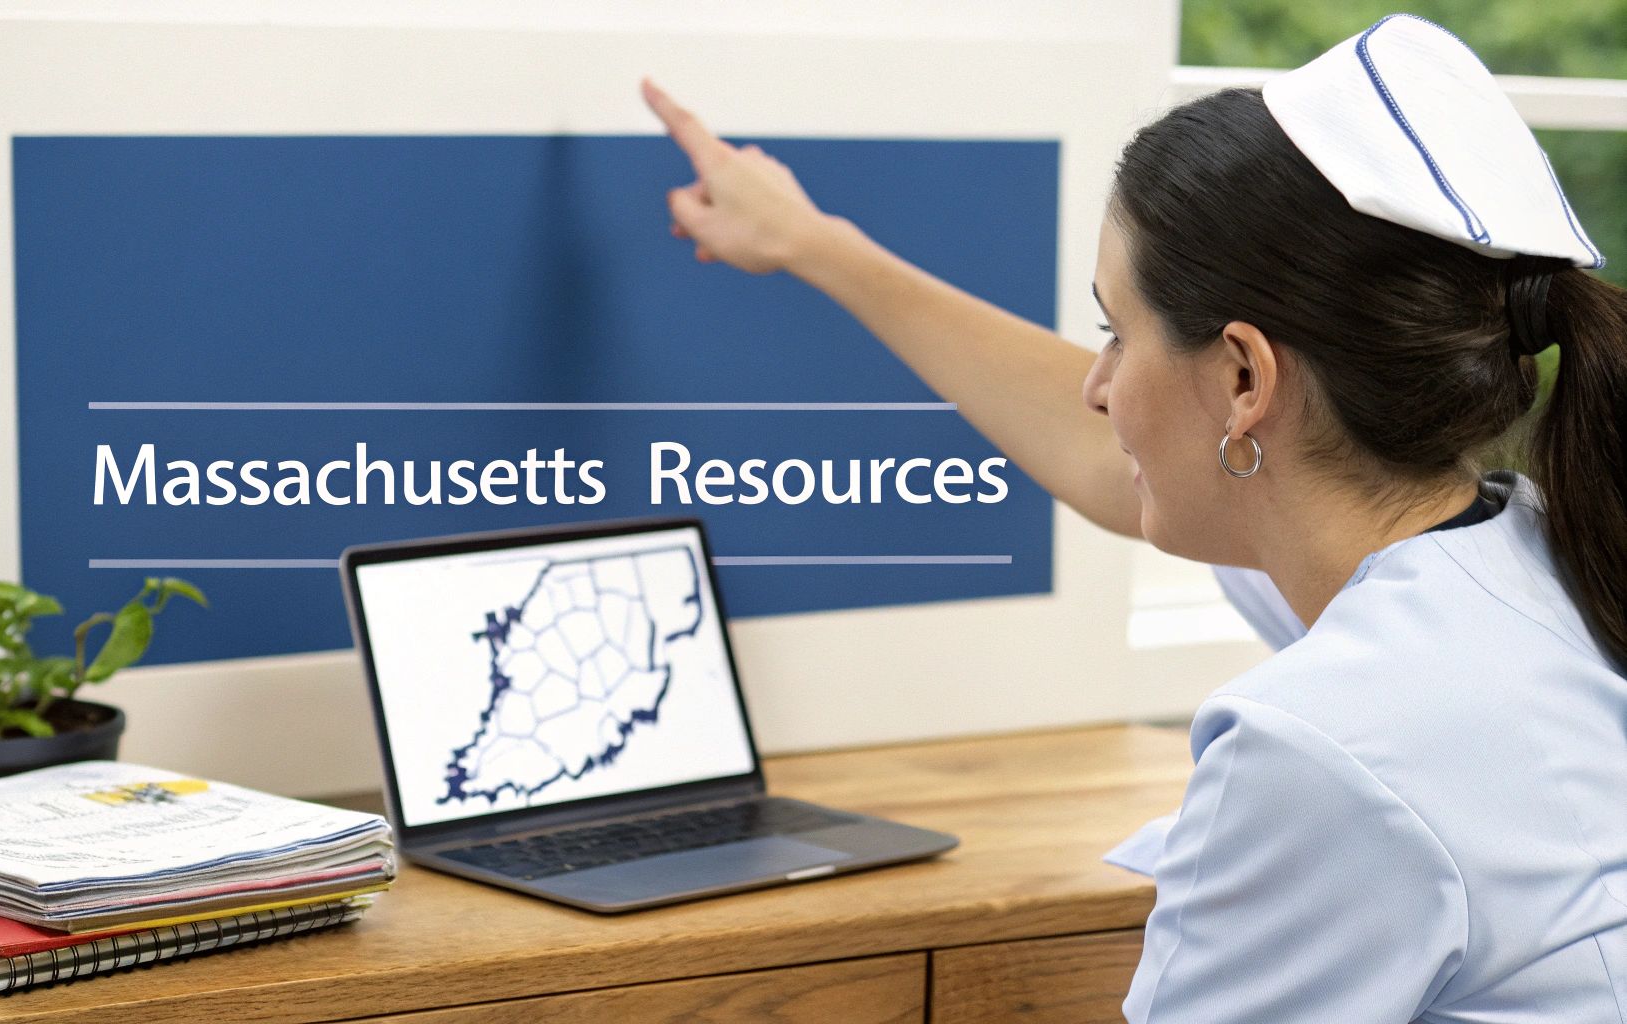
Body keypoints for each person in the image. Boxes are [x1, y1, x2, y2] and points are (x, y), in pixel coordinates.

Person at [643, 14, 1627, 1022]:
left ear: (1243, 376)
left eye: (1114, 333)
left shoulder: (1317, 745)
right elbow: (1116, 458)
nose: (1096, 388)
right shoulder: (1537, 562)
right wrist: (815, 245)